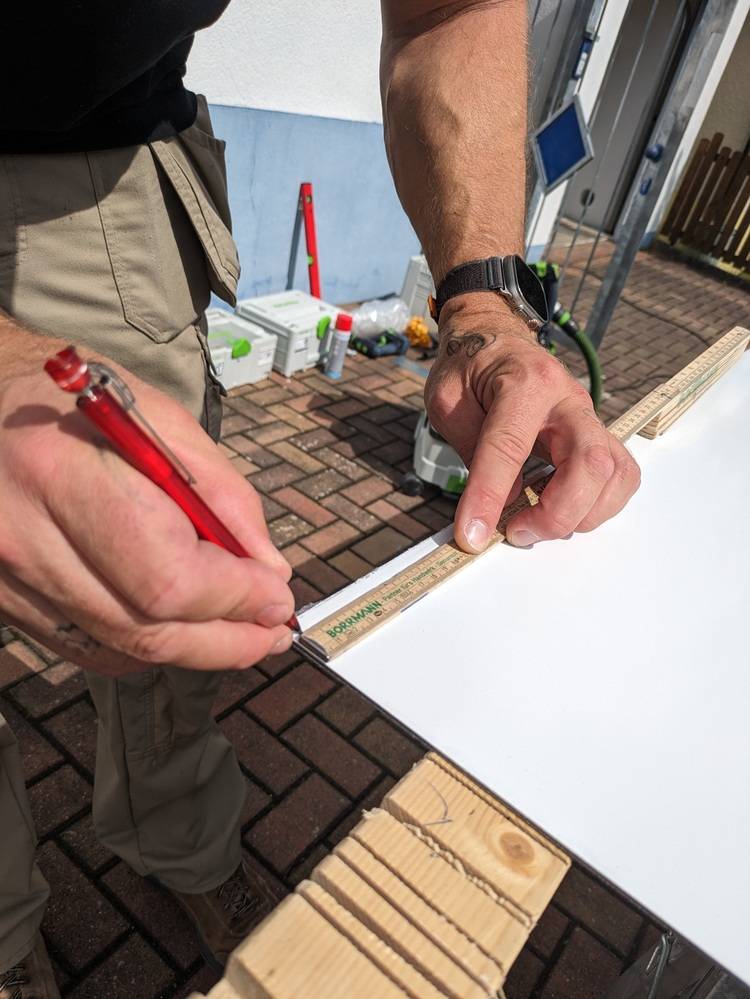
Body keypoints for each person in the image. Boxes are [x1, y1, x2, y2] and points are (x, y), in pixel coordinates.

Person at [0, 1, 641, 995]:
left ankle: (181, 847)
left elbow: (449, 15)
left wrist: (480, 305)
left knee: (177, 589)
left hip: (106, 172)